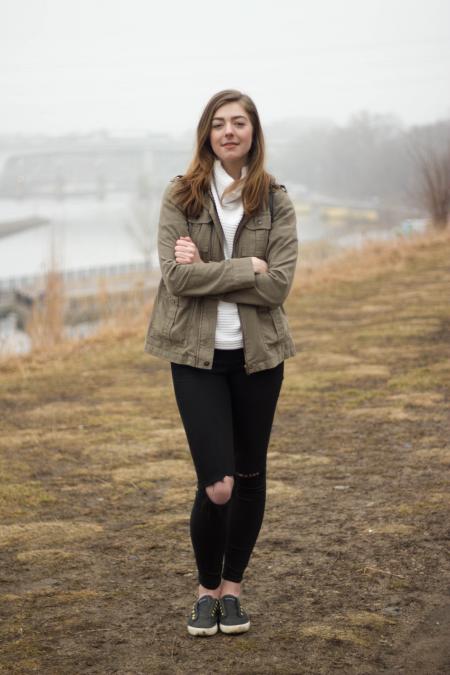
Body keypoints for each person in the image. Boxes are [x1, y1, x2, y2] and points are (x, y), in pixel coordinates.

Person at [144, 89, 298, 636]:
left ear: (254, 132)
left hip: (259, 359)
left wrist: (211, 267)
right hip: (196, 357)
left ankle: (231, 591)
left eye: (239, 123)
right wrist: (243, 267)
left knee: (250, 474)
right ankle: (204, 588)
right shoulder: (180, 196)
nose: (228, 131)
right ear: (206, 134)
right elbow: (176, 280)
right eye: (218, 123)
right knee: (218, 485)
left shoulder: (275, 199)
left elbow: (278, 287)